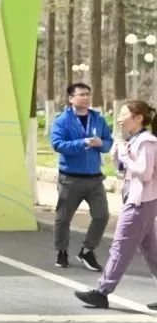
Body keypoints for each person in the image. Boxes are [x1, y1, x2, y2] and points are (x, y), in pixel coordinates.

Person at [75, 100, 157, 310]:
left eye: (123, 114)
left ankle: (102, 292)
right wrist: (118, 156)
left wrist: (125, 157)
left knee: (120, 247)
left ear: (138, 118)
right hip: (140, 201)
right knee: (152, 251)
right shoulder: (134, 140)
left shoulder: (147, 142)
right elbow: (125, 171)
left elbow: (144, 173)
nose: (119, 119)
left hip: (140, 203)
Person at [50, 82, 113, 270]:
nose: (86, 97)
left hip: (94, 178)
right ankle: (62, 251)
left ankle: (87, 251)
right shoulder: (62, 120)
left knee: (102, 216)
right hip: (70, 178)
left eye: (88, 94)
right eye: (81, 94)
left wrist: (101, 144)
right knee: (63, 218)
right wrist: (83, 142)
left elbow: (108, 142)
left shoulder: (98, 119)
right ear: (71, 98)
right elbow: (58, 144)